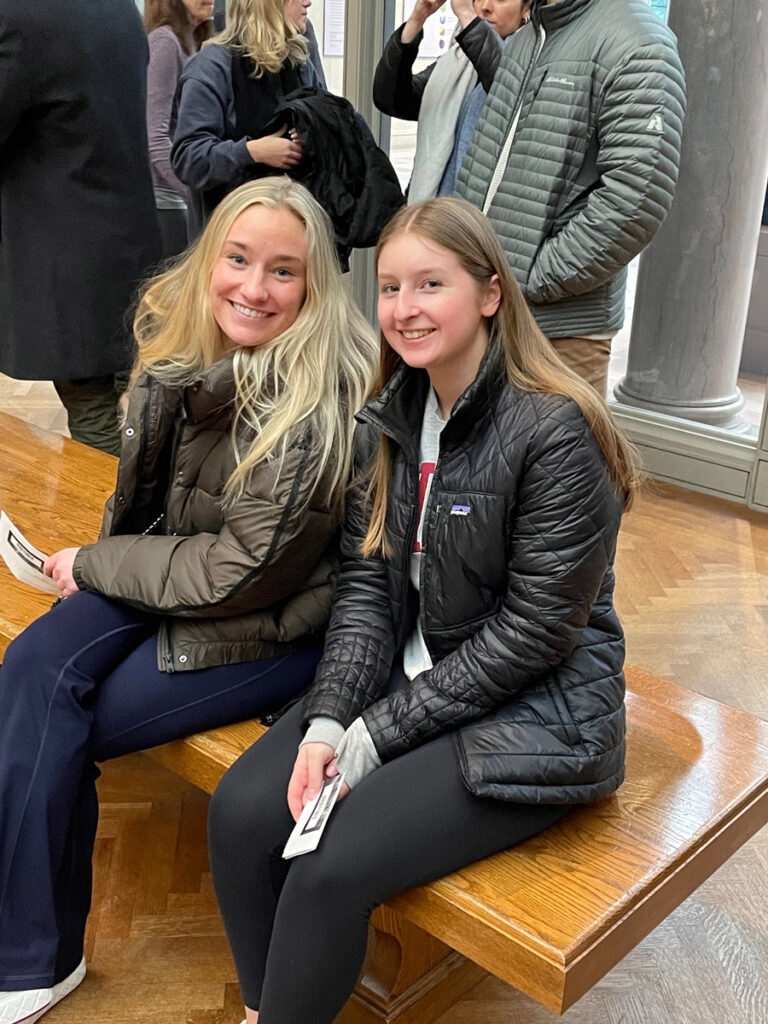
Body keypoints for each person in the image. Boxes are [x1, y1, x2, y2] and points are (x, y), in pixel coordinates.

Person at [207, 195, 640, 1024]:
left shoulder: (556, 428)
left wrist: (377, 735)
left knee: (329, 868)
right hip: (418, 679)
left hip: (537, 710)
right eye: (392, 287)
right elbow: (369, 593)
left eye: (430, 284)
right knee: (239, 816)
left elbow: (536, 634)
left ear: (488, 294)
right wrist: (334, 721)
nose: (405, 309)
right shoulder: (398, 409)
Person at [0, 178, 377, 1024]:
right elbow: (156, 507)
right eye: (238, 260)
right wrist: (103, 565)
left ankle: (31, 954)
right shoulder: (190, 348)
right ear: (210, 261)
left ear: (315, 290)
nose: (253, 287)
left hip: (272, 624)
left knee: (60, 722)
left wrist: (95, 564)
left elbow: (240, 575)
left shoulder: (314, 405)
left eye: (283, 272)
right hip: (179, 574)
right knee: (28, 671)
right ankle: (29, 952)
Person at [456, 0, 687, 395]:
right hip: (496, 310)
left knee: (557, 454)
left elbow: (637, 200)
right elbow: (488, 157)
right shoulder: (532, 33)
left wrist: (531, 278)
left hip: (561, 331)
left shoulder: (637, 41)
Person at [0, 0, 161, 456]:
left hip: (66, 256)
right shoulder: (118, 9)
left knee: (92, 412)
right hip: (124, 239)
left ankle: (116, 518)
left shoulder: (21, 15)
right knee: (119, 399)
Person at [171, 0, 322, 235]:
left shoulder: (300, 64)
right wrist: (253, 151)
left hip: (290, 232)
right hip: (226, 241)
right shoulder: (212, 67)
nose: (307, 2)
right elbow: (189, 159)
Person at [374, 0, 530, 202]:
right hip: (432, 213)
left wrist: (466, 15)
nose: (485, 6)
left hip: (478, 219)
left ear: (526, 9)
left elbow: (507, 92)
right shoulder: (457, 60)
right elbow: (392, 99)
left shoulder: (533, 62)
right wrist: (416, 20)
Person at [145, 0, 216, 258]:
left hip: (184, 201)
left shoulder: (195, 43)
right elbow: (156, 137)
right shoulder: (165, 42)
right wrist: (194, 191)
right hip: (169, 204)